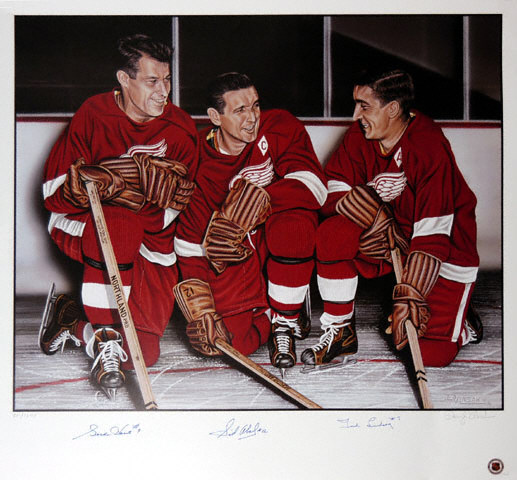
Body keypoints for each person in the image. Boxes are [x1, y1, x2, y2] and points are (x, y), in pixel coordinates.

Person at [39, 34, 198, 397]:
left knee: (143, 353)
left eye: (168, 79)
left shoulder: (181, 127)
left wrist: (147, 202)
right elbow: (51, 195)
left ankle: (73, 320)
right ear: (124, 80)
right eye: (152, 81)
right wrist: (83, 188)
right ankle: (107, 337)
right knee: (120, 223)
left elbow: (177, 209)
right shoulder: (93, 114)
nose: (164, 92)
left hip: (151, 243)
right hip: (84, 227)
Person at [303, 68, 482, 369]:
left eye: (365, 106)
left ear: (394, 109)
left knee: (425, 353)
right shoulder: (360, 136)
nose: (357, 114)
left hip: (446, 250)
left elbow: (434, 235)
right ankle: (340, 331)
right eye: (357, 104)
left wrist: (409, 295)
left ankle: (465, 323)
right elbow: (331, 190)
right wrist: (371, 214)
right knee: (334, 232)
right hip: (391, 239)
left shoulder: (428, 147)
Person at [173, 72, 327, 375]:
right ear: (215, 117)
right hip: (235, 254)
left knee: (294, 223)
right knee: (229, 341)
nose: (252, 118)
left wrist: (262, 200)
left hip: (272, 239)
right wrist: (201, 310)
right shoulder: (197, 158)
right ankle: (282, 306)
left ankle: (285, 318)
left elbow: (316, 189)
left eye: (255, 106)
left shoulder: (279, 125)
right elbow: (189, 242)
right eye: (240, 110)